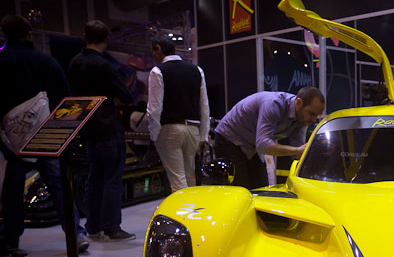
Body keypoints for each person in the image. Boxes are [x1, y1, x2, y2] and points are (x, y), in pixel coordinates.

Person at [0, 14, 88, 257]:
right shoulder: (47, 61)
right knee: (59, 185)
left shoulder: (2, 61)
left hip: (13, 138)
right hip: (47, 135)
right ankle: (75, 234)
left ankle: (10, 241)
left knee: (13, 189)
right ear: (29, 34)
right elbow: (66, 99)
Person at [68, 20, 135, 242]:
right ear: (106, 39)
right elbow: (126, 95)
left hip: (88, 128)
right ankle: (112, 227)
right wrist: (115, 98)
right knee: (112, 179)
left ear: (85, 37)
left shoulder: (75, 63)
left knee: (94, 178)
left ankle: (93, 226)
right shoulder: (105, 65)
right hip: (108, 127)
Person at [213, 88, 325, 189]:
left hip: (251, 145)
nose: (314, 120)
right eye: (312, 113)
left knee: (262, 190)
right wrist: (297, 151)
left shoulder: (302, 118)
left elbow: (297, 153)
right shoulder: (273, 104)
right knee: (241, 190)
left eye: (317, 115)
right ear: (299, 103)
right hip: (229, 139)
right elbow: (263, 145)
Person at [147, 34, 210, 192]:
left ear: (158, 49)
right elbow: (204, 106)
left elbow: (154, 108)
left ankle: (182, 208)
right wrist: (203, 135)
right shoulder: (197, 70)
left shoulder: (158, 71)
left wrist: (154, 134)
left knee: (177, 179)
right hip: (193, 130)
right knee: (189, 177)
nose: (153, 55)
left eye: (153, 51)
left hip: (170, 130)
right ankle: (192, 207)